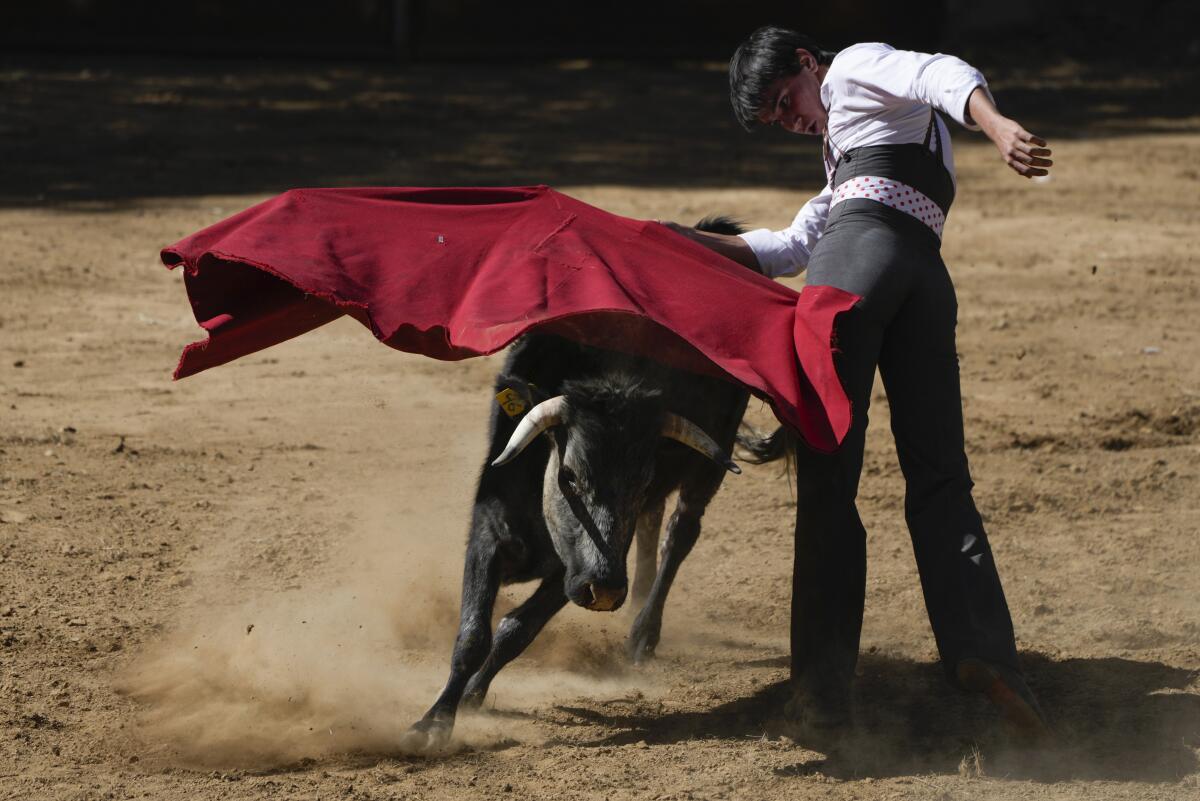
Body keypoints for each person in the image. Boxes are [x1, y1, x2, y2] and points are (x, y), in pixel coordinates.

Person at [659, 28, 1051, 736]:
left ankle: (820, 690)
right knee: (941, 476)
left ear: (809, 62)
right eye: (777, 119)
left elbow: (941, 70)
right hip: (924, 284)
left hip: (853, 271)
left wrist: (998, 126)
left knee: (828, 472)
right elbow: (784, 247)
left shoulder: (854, 70)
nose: (792, 119)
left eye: (786, 100)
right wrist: (678, 238)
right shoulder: (850, 153)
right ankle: (986, 656)